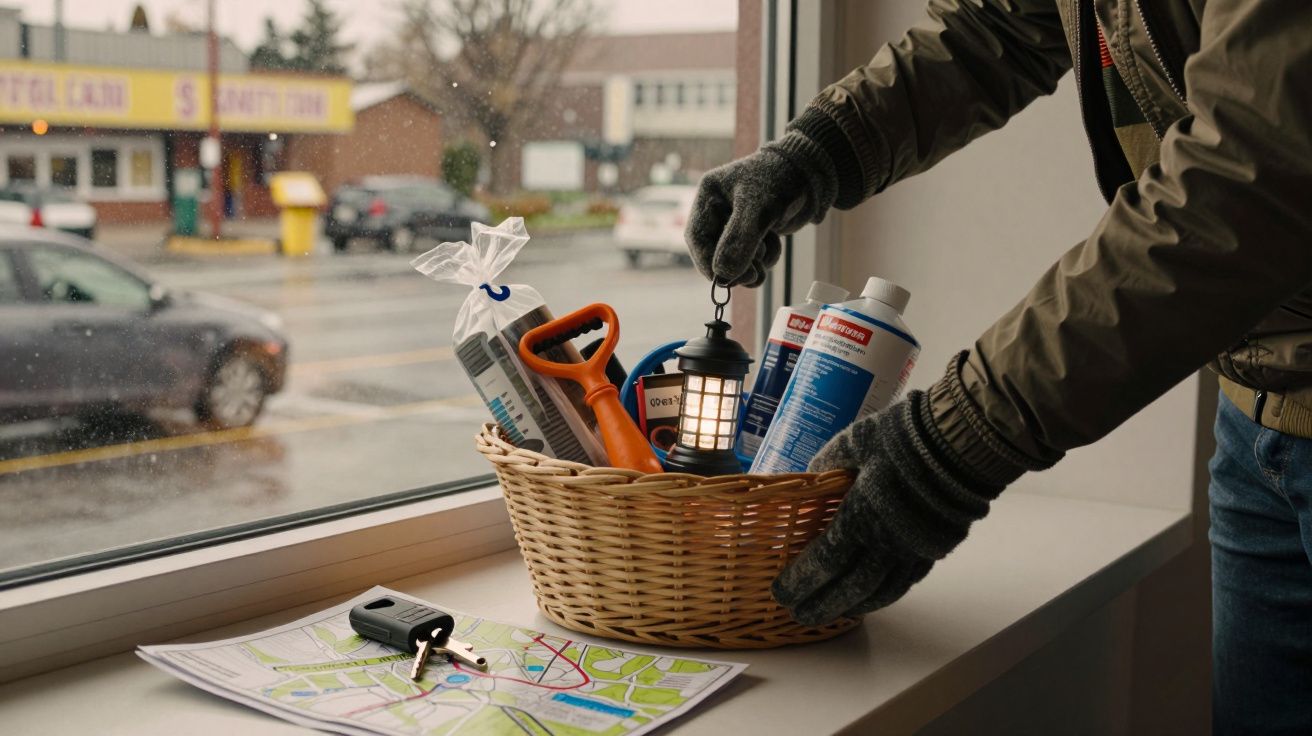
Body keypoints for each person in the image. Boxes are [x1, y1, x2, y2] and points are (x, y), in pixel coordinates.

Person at [684, 1, 1312, 732]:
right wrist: (814, 153)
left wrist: (957, 439)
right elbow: (996, 27)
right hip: (1256, 408)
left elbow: (1250, 176)